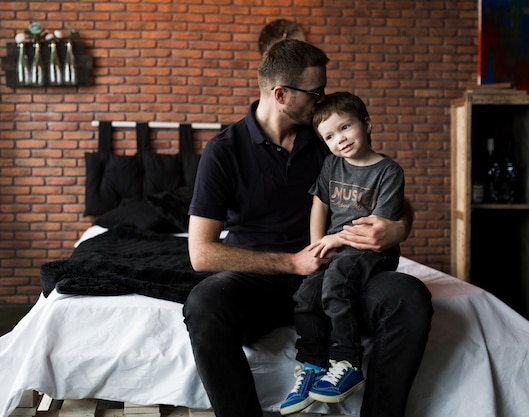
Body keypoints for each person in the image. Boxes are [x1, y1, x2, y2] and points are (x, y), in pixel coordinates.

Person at [184, 39, 433, 417]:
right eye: (316, 93)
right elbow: (201, 253)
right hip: (262, 281)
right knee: (203, 303)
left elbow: (395, 199)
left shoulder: (328, 140)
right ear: (282, 94)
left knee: (408, 296)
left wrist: (397, 230)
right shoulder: (225, 150)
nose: (323, 101)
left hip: (338, 273)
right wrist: (292, 263)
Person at [280, 91, 405, 415]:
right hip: (336, 248)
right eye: (330, 136)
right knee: (306, 293)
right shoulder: (332, 165)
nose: (340, 140)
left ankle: (348, 362)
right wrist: (316, 245)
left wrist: (335, 241)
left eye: (345, 128)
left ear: (366, 123)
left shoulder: (388, 171)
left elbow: (378, 224)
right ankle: (312, 366)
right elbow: (319, 204)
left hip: (370, 249)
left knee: (336, 283)